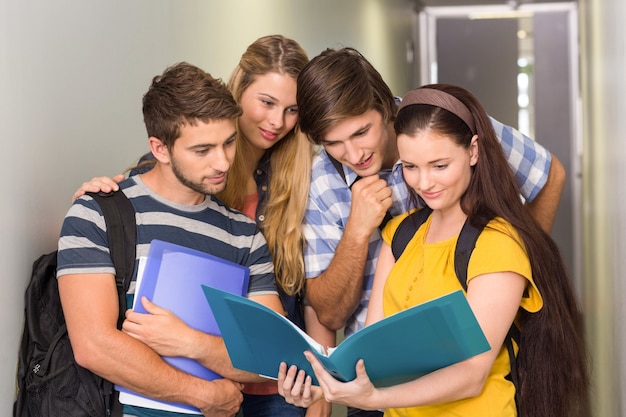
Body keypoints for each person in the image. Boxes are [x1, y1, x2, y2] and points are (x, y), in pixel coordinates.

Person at [277, 84, 589, 417]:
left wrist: (373, 399)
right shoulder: (400, 235)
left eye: (439, 166)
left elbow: (471, 375)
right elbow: (370, 353)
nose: (424, 183)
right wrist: (318, 388)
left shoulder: (500, 242)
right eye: (411, 167)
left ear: (473, 151)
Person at [70, 35, 331, 417]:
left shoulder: (249, 229)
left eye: (228, 144)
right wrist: (198, 392)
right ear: (161, 150)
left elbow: (271, 349)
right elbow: (94, 344)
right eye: (204, 150)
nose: (223, 163)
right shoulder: (105, 212)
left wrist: (190, 343)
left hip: (260, 391)